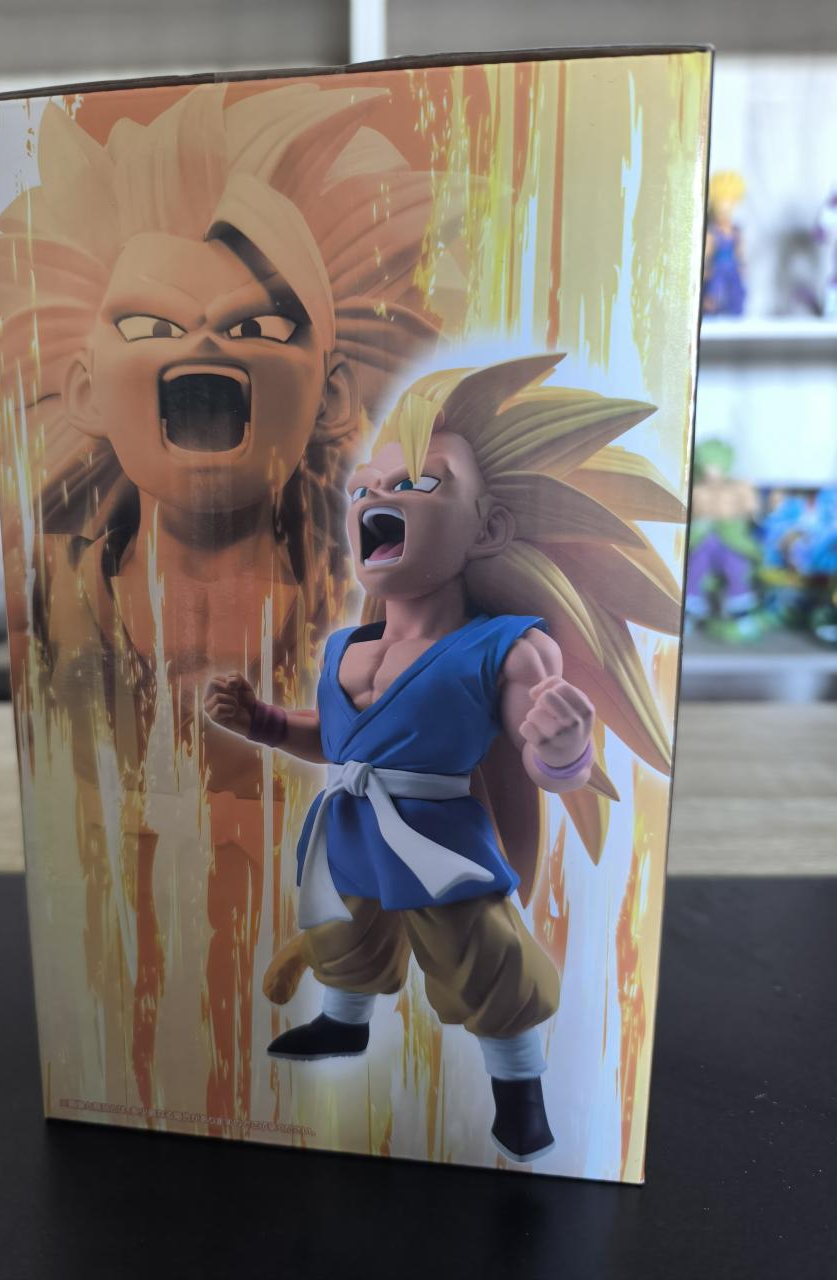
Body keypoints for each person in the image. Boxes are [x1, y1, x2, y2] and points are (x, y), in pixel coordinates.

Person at [0, 82, 466, 1119]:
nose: (203, 346)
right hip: (118, 1002)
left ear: (332, 393)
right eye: (151, 322)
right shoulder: (46, 598)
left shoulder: (384, 610)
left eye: (259, 324)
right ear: (83, 388)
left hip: (333, 1017)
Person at [207, 355, 684, 1161]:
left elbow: (540, 747)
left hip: (437, 838)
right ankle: (345, 1023)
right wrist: (265, 722)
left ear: (487, 529)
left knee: (484, 957)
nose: (376, 499)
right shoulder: (345, 648)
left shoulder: (506, 647)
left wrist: (563, 747)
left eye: (420, 485)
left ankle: (519, 1092)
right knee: (344, 930)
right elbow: (340, 744)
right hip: (348, 826)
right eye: (364, 488)